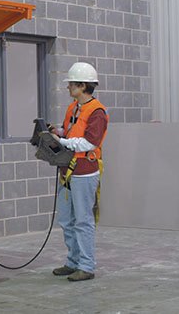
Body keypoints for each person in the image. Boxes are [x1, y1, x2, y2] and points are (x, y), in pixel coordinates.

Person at [49, 62, 109, 282]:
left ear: (82, 86)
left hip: (84, 172)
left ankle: (86, 265)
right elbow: (71, 130)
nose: (68, 88)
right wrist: (57, 132)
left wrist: (62, 141)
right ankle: (73, 262)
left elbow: (89, 143)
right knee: (66, 219)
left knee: (83, 220)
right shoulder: (73, 107)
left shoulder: (97, 112)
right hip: (67, 172)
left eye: (71, 84)